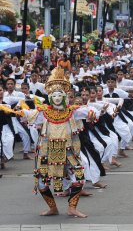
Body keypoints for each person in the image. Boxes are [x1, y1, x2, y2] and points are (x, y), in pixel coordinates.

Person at [22, 67, 104, 218]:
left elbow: (91, 111)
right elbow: (27, 114)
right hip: (48, 152)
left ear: (65, 96)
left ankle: (72, 208)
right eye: (54, 94)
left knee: (79, 177)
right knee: (41, 183)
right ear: (50, 96)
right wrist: (18, 111)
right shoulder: (44, 112)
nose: (57, 97)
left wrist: (93, 114)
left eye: (61, 94)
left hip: (69, 152)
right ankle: (53, 208)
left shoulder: (73, 111)